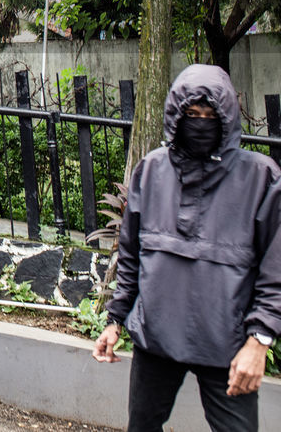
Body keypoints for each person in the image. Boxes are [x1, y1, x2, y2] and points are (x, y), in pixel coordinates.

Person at [93, 63, 280, 431]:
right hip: (157, 339)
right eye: (191, 114)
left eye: (210, 115)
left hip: (228, 343)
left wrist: (259, 342)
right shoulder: (151, 170)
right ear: (175, 116)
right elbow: (133, 255)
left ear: (226, 118)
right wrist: (116, 319)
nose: (200, 122)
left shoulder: (261, 178)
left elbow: (276, 269)